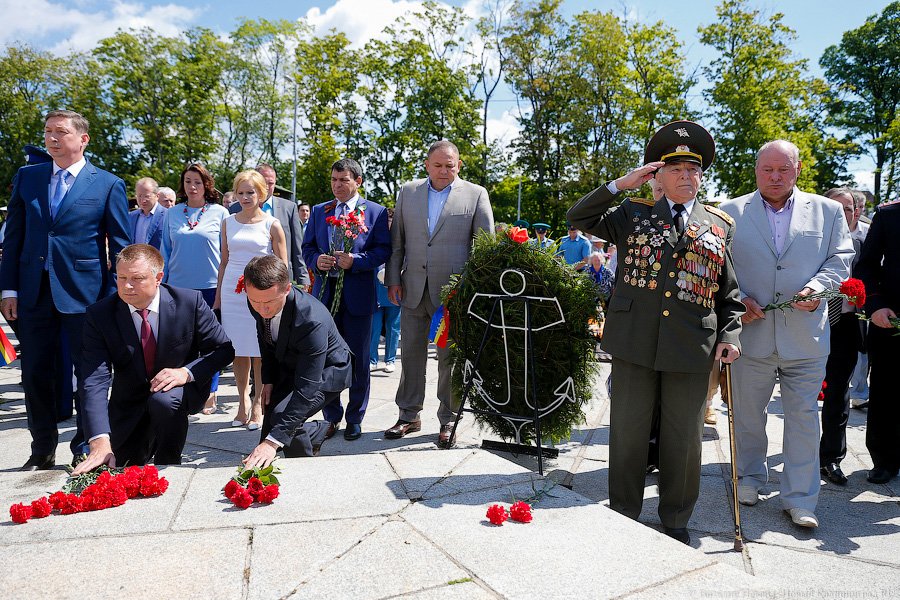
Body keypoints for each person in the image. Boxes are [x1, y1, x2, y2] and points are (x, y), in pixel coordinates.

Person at [567, 120, 743, 544]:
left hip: (690, 345)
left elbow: (729, 292)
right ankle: (624, 511)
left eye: (694, 171)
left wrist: (730, 336)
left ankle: (676, 518)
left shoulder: (719, 225)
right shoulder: (632, 214)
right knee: (628, 430)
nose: (687, 177)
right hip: (635, 342)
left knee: (684, 438)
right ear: (658, 176)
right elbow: (579, 216)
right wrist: (621, 184)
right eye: (676, 170)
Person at [719, 140, 853, 528]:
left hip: (806, 337)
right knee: (746, 414)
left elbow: (841, 259)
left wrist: (820, 289)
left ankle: (800, 498)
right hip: (751, 334)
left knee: (804, 419)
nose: (775, 177)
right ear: (756, 170)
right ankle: (749, 478)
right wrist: (738, 298)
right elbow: (719, 266)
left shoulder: (828, 211)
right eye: (767, 170)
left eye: (783, 169)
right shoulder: (729, 212)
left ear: (797, 169)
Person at [0, 109, 131, 471]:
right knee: (35, 374)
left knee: (88, 374)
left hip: (86, 295)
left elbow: (120, 246)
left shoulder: (107, 183)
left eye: (60, 132)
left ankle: (83, 446)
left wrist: (115, 295)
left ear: (83, 138)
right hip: (33, 293)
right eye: (47, 132)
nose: (52, 139)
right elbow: (14, 239)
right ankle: (41, 448)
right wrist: (8, 289)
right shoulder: (28, 178)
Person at [72, 245, 234, 474]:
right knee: (118, 467)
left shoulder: (189, 302)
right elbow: (93, 379)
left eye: (137, 278)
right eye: (122, 277)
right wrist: (98, 438)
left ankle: (169, 459)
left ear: (158, 277)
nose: (127, 286)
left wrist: (185, 372)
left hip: (175, 394)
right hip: (128, 399)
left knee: (164, 402)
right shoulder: (100, 315)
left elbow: (223, 350)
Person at [385, 140, 494, 447]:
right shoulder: (408, 192)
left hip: (454, 295)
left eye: (450, 165)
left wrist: (471, 290)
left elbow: (484, 248)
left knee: (450, 360)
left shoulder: (475, 194)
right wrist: (394, 279)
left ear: (458, 165)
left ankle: (448, 419)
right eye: (438, 165)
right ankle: (408, 415)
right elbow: (398, 244)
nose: (444, 171)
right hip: (412, 289)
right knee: (410, 356)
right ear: (426, 165)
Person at [302, 158, 391, 441]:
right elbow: (307, 248)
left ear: (358, 182)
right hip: (325, 297)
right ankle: (331, 416)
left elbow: (383, 251)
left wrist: (357, 261)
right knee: (327, 359)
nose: (337, 185)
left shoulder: (375, 213)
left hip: (358, 297)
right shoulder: (319, 211)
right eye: (334, 180)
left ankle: (355, 417)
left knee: (359, 360)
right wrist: (317, 261)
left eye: (343, 180)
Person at [241, 255, 353, 466]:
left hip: (328, 370)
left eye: (269, 303)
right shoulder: (258, 300)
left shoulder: (311, 320)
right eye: (255, 301)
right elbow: (265, 340)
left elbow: (306, 388)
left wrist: (271, 443)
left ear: (287, 289)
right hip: (291, 361)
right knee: (273, 413)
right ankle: (311, 440)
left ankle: (302, 470)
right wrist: (269, 380)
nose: (262, 309)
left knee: (283, 416)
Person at [215, 170, 288, 427]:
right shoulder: (228, 222)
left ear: (261, 193)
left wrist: (279, 298)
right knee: (237, 350)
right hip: (232, 292)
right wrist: (218, 298)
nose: (245, 197)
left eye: (250, 192)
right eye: (241, 192)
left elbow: (282, 265)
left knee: (259, 351)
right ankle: (242, 403)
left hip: (260, 293)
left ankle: (258, 403)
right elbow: (223, 262)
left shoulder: (272, 224)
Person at [161, 163, 229, 414]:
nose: (192, 187)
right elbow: (165, 252)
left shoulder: (220, 212)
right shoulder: (172, 213)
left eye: (197, 182)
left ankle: (210, 391)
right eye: (188, 181)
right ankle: (184, 390)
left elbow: (225, 254)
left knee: (210, 344)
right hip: (177, 287)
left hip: (210, 287)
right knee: (181, 343)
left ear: (206, 185)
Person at [819, 187, 868, 485]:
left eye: (849, 209)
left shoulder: (866, 242)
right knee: (802, 394)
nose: (844, 214)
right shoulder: (809, 242)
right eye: (837, 208)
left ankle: (831, 458)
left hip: (847, 325)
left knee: (839, 392)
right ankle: (800, 450)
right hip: (811, 322)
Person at [855, 197, 900, 485]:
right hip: (891, 320)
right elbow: (866, 266)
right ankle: (885, 460)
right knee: (887, 394)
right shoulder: (889, 215)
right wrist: (876, 305)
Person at [230, 164, 309, 286]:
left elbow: (297, 248)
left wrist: (303, 280)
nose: (266, 187)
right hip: (241, 278)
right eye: (263, 182)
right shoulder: (234, 209)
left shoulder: (289, 208)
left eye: (270, 183)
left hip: (279, 279)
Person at [371, 208, 401, 373]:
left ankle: (390, 360)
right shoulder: (376, 239)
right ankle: (372, 359)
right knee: (374, 327)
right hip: (376, 289)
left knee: (393, 326)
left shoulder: (401, 241)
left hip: (395, 289)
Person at [129, 177, 167, 249]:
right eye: (139, 196)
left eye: (147, 196)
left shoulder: (168, 215)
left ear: (157, 196)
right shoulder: (131, 216)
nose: (143, 200)